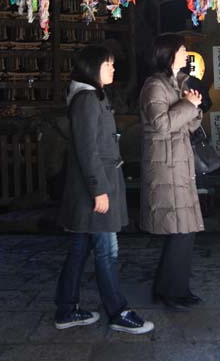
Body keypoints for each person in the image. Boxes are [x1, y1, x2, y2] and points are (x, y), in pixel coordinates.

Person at [55, 45, 153, 334]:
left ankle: (66, 309)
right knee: (107, 252)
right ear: (92, 67)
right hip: (95, 190)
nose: (112, 69)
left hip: (94, 187)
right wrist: (99, 190)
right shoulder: (86, 99)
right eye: (108, 64)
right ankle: (118, 311)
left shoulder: (92, 96)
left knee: (79, 250)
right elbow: (88, 150)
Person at [139, 34, 205, 311]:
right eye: (182, 49)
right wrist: (188, 106)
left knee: (184, 230)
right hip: (165, 166)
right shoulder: (155, 85)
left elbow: (189, 123)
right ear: (168, 54)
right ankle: (171, 291)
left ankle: (172, 288)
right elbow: (161, 124)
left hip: (179, 163)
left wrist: (194, 104)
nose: (186, 53)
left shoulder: (178, 83)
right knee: (180, 230)